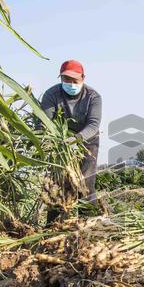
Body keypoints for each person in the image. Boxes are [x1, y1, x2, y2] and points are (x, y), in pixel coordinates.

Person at [40, 60, 102, 212]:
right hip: (60, 144)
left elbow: (93, 125)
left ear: (83, 78)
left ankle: (89, 220)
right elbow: (44, 123)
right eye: (66, 79)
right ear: (60, 78)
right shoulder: (52, 94)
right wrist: (46, 142)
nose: (71, 83)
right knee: (58, 182)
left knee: (85, 182)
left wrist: (75, 139)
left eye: (75, 80)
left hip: (87, 141)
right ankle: (54, 224)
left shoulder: (93, 97)